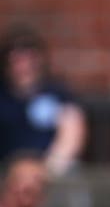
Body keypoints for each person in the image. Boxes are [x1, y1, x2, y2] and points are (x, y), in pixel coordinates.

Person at [0, 24, 86, 176]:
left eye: (28, 59)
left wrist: (46, 170)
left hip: (50, 173)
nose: (23, 66)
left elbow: (72, 135)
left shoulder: (58, 93)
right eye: (17, 60)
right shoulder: (3, 95)